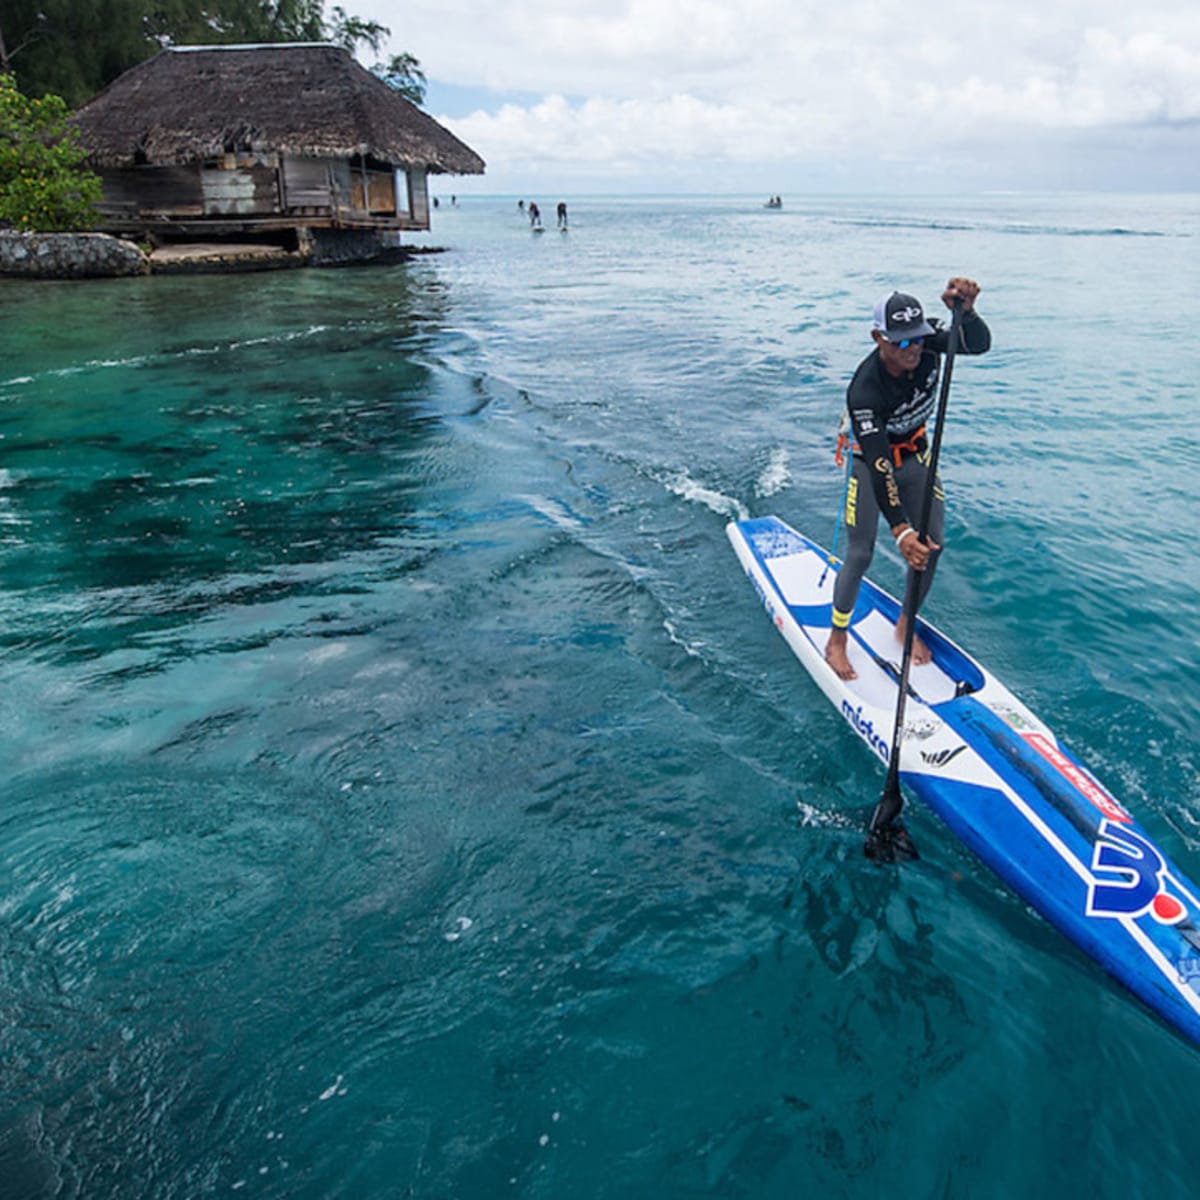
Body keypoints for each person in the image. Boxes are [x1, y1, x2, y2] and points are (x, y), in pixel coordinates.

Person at [824, 279, 991, 681]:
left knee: (931, 545)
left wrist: (966, 312)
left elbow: (978, 344)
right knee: (861, 553)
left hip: (917, 456)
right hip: (871, 465)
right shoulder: (865, 390)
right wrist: (900, 532)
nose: (912, 349)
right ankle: (837, 638)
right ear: (878, 338)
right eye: (900, 343)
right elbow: (880, 466)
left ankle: (905, 622)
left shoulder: (929, 342)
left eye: (917, 339)